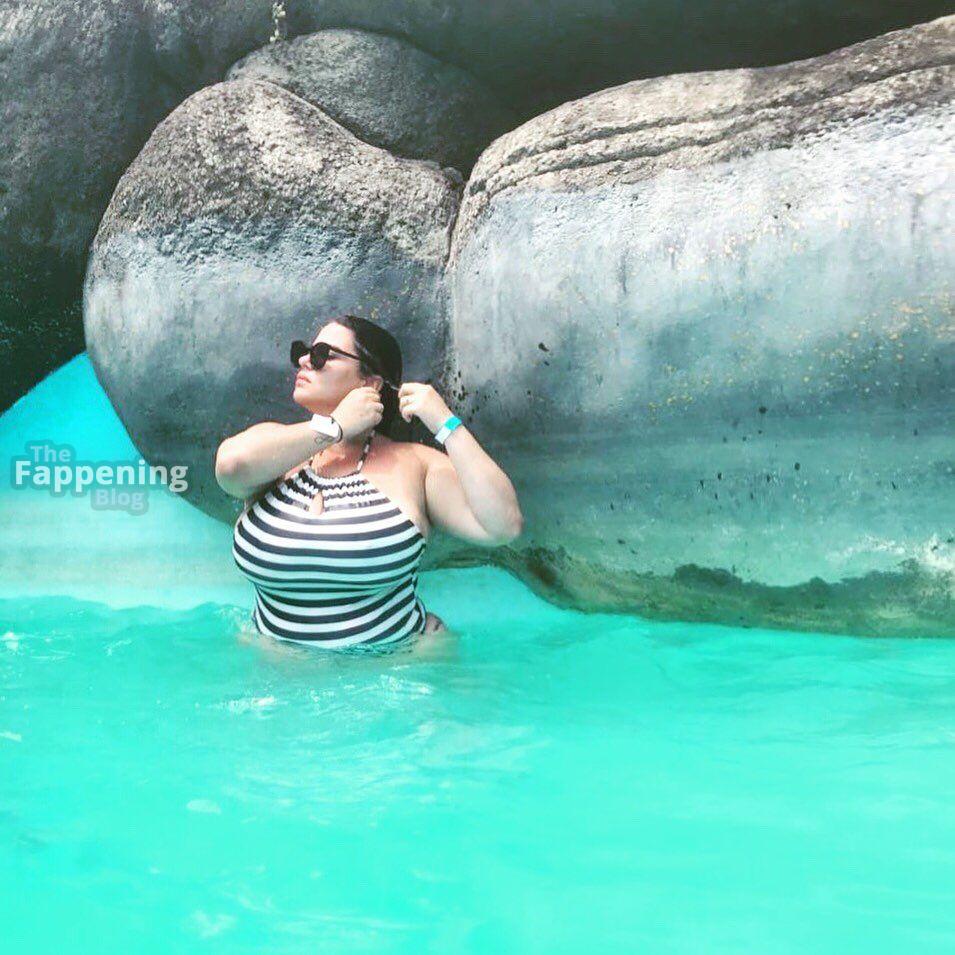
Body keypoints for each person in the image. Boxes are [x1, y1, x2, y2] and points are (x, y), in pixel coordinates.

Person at [215, 314, 523, 651]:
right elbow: (230, 468)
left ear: (370, 384)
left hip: (393, 667)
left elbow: (502, 526)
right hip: (273, 672)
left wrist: (445, 423)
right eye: (302, 352)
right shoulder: (275, 450)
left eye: (322, 355)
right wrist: (333, 427)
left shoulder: (414, 465)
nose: (304, 360)